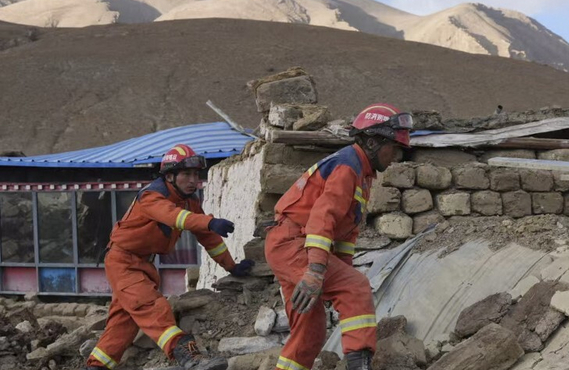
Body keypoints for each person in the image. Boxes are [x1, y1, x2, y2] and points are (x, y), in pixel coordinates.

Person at [265, 103, 412, 370]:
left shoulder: (362, 173)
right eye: (394, 147)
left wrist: (340, 271)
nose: (396, 157)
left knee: (310, 333)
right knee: (356, 287)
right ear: (371, 141)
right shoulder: (347, 167)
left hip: (290, 246)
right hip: (295, 244)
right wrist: (317, 271)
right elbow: (323, 219)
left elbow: (345, 231)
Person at [86, 144, 255, 370]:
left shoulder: (189, 202)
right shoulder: (152, 197)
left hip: (142, 263)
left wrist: (231, 266)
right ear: (170, 176)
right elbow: (174, 217)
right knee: (152, 306)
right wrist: (209, 221)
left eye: (196, 174)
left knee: (123, 320)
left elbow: (209, 238)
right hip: (122, 262)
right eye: (186, 174)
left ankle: (96, 365)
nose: (193, 180)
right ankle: (190, 357)